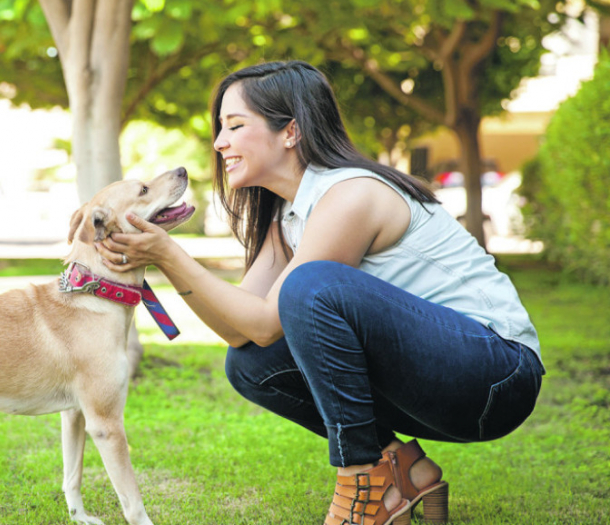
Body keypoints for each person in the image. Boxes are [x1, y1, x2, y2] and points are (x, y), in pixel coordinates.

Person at [95, 60, 544, 525]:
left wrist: (169, 254)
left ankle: (362, 480)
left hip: (497, 374)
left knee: (311, 285)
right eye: (220, 128)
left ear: (290, 131)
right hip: (442, 382)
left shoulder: (351, 195)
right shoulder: (287, 218)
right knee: (250, 365)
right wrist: (163, 257)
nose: (219, 143)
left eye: (235, 125)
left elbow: (272, 318)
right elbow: (241, 332)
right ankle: (402, 469)